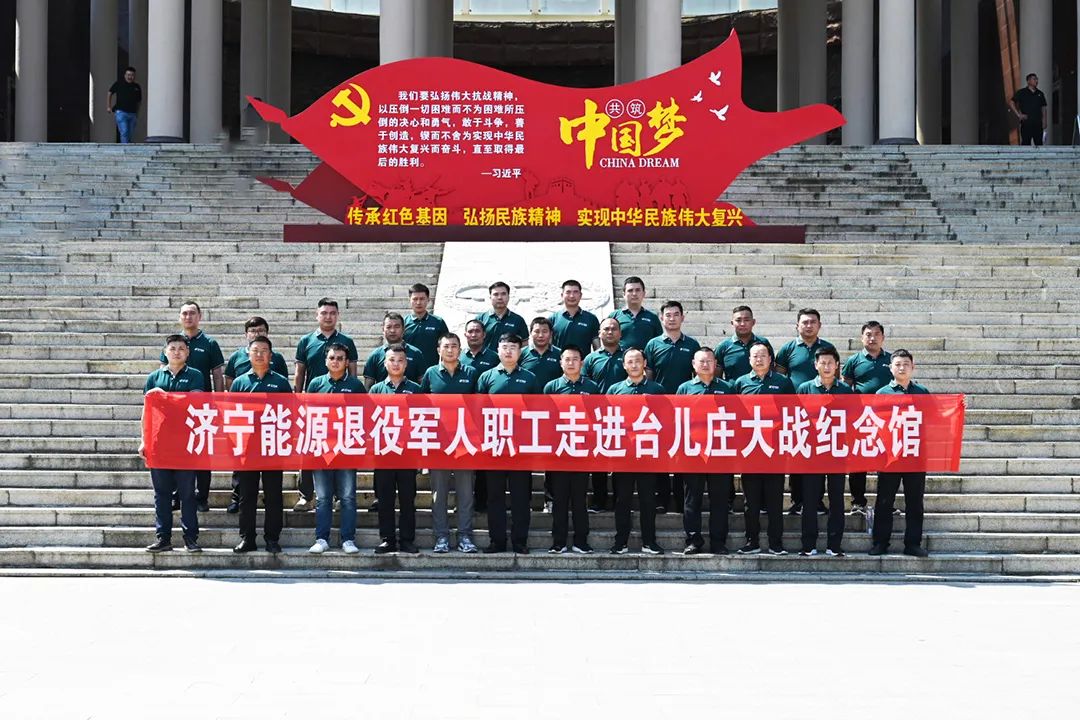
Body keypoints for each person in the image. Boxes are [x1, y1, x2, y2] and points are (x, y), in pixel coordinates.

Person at [140, 335, 205, 553]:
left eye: (181, 349)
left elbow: (194, 401)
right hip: (159, 443)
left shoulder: (195, 375)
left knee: (187, 494)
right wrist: (143, 440)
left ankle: (190, 538)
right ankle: (163, 538)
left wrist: (164, 396)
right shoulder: (154, 377)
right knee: (162, 494)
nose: (177, 352)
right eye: (172, 348)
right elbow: (146, 413)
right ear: (165, 352)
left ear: (188, 353)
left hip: (186, 442)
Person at [476, 333, 539, 553]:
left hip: (521, 447)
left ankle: (520, 541)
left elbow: (537, 411)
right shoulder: (487, 377)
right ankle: (497, 540)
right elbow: (478, 411)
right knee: (495, 497)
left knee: (521, 496)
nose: (509, 351)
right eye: (505, 347)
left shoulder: (530, 378)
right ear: (498, 350)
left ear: (520, 351)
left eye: (513, 347)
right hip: (495, 446)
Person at [294, 297, 358, 511]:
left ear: (338, 316)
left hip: (342, 411)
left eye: (332, 313)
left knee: (341, 451)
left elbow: (353, 374)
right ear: (317, 315)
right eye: (324, 313)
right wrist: (298, 400)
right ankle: (306, 496)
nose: (328, 317)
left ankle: (340, 497)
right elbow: (300, 373)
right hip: (315, 406)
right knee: (308, 450)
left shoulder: (347, 342)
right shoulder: (306, 341)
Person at [230, 336, 293, 554]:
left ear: (271, 355)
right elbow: (231, 415)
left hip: (272, 445)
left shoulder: (281, 382)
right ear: (248, 354)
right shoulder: (239, 383)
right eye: (255, 350)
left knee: (273, 495)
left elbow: (290, 412)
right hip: (247, 447)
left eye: (264, 350)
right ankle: (247, 538)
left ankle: (272, 539)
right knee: (247, 496)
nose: (259, 354)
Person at [160, 300, 224, 514]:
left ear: (200, 316)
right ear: (180, 317)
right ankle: (176, 495)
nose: (188, 317)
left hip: (202, 408)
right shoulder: (173, 343)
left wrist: (218, 401)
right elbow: (163, 371)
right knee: (176, 451)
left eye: (192, 313)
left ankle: (201, 496)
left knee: (202, 453)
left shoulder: (210, 343)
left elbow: (217, 374)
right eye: (185, 314)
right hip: (175, 411)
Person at [419, 332, 479, 554]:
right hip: (439, 443)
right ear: (439, 350)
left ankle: (465, 536)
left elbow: (480, 406)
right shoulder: (431, 373)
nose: (450, 350)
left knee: (466, 494)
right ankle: (441, 536)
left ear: (460, 350)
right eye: (446, 346)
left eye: (454, 346)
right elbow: (421, 405)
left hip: (464, 441)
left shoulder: (471, 373)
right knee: (439, 494)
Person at [223, 316, 290, 514]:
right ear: (246, 335)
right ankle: (237, 497)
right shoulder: (237, 360)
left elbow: (286, 399)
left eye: (260, 331)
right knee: (245, 480)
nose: (256, 334)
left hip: (271, 430)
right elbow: (229, 382)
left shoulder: (277, 361)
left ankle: (272, 528)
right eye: (252, 331)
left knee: (273, 487)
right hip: (245, 429)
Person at [733, 341, 795, 555]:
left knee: (775, 500)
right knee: (750, 502)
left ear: (770, 359)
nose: (759, 359)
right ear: (749, 359)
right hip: (750, 449)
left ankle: (775, 542)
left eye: (763, 356)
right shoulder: (740, 383)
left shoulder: (783, 382)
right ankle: (752, 541)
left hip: (774, 450)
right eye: (755, 356)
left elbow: (792, 412)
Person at [870, 349, 930, 558]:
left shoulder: (922, 392)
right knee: (884, 501)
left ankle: (913, 543)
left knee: (915, 502)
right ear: (890, 368)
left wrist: (958, 407)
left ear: (913, 367)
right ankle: (880, 542)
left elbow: (934, 417)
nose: (902, 368)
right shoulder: (882, 393)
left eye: (906, 364)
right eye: (897, 364)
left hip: (915, 454)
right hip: (890, 456)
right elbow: (875, 424)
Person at [305, 343, 364, 555]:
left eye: (340, 358)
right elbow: (307, 414)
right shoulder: (316, 384)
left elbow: (365, 415)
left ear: (347, 362)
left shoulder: (356, 386)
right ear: (326, 361)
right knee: (323, 498)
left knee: (347, 497)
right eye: (332, 358)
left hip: (347, 449)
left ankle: (348, 539)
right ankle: (322, 538)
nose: (336, 361)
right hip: (321, 448)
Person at [775, 308, 835, 516]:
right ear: (797, 326)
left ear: (819, 325)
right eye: (805, 322)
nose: (809, 326)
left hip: (823, 414)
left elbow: (834, 376)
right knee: (798, 456)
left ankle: (817, 501)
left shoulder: (827, 348)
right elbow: (780, 377)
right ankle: (797, 500)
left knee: (821, 458)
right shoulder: (788, 349)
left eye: (812, 322)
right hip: (796, 412)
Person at [606, 348, 666, 555]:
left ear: (645, 363)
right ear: (624, 365)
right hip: (623, 455)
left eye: (638, 361)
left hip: (647, 454)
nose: (634, 365)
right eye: (630, 362)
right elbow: (608, 419)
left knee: (648, 500)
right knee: (622, 500)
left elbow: (665, 420)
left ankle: (649, 541)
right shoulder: (615, 390)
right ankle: (620, 541)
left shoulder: (657, 389)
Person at [714, 305, 772, 514]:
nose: (742, 323)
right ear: (732, 323)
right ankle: (729, 498)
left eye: (746, 319)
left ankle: (762, 501)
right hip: (733, 409)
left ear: (753, 322)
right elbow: (717, 375)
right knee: (729, 455)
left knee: (760, 455)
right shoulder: (724, 347)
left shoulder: (763, 344)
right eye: (738, 320)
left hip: (761, 415)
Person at [644, 300, 700, 514]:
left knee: (681, 454)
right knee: (659, 454)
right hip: (659, 407)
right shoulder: (653, 344)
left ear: (682, 317)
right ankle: (661, 499)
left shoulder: (692, 344)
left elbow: (697, 375)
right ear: (661, 318)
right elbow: (648, 375)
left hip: (685, 409)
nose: (672, 318)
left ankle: (680, 499)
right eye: (668, 315)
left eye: (676, 314)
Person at [676, 348, 734, 555]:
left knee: (720, 500)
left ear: (716, 364)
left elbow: (736, 418)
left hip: (720, 452)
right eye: (701, 361)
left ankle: (718, 541)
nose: (705, 365)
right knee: (692, 499)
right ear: (694, 364)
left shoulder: (727, 388)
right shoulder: (685, 388)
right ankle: (693, 540)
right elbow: (677, 419)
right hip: (693, 453)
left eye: (709, 361)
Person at [796, 346, 853, 557]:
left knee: (836, 499)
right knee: (810, 499)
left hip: (837, 451)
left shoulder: (845, 390)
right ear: (815, 365)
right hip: (812, 451)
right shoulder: (805, 388)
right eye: (823, 362)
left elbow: (853, 419)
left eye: (830, 363)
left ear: (837, 365)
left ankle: (834, 544)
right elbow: (797, 418)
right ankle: (808, 544)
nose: (826, 366)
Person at [543, 346, 600, 554]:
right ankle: (558, 541)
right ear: (560, 363)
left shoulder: (591, 387)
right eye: (567, 359)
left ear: (582, 363)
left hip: (582, 452)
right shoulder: (552, 387)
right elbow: (545, 418)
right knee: (559, 500)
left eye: (575, 359)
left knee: (579, 499)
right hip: (559, 451)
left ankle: (580, 541)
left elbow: (598, 416)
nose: (571, 363)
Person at [368, 344, 422, 554]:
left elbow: (422, 420)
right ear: (385, 363)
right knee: (385, 499)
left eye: (400, 360)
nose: (396, 364)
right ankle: (387, 538)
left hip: (408, 454)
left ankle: (407, 539)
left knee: (408, 498)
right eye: (392, 360)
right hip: (384, 453)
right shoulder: (376, 390)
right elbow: (369, 421)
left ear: (406, 364)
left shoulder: (415, 390)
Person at [841, 321, 892, 515]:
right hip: (861, 417)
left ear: (883, 337)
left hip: (886, 418)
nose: (872, 338)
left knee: (886, 460)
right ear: (862, 338)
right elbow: (845, 387)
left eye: (876, 334)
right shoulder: (854, 360)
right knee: (858, 459)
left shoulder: (892, 359)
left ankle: (886, 502)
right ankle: (858, 502)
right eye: (868, 334)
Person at [582, 318, 627, 513]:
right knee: (598, 459)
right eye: (606, 329)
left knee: (620, 460)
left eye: (614, 329)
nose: (610, 332)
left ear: (620, 333)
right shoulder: (591, 359)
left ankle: (620, 500)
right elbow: (584, 383)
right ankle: (599, 501)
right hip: (597, 415)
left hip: (623, 416)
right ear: (599, 333)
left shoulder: (627, 356)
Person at [522, 316, 563, 512]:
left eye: (544, 331)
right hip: (526, 415)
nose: (540, 335)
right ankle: (525, 500)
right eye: (536, 331)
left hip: (553, 414)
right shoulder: (522, 354)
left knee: (552, 458)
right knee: (525, 459)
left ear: (551, 334)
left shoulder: (560, 355)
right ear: (530, 334)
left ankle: (551, 499)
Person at [461, 318, 499, 514]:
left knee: (485, 462)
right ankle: (464, 501)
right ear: (465, 334)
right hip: (464, 418)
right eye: (471, 331)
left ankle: (482, 502)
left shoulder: (494, 357)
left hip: (488, 417)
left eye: (478, 331)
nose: (474, 334)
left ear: (484, 335)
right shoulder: (458, 357)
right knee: (465, 460)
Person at [363, 312, 426, 389]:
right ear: (383, 330)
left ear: (404, 329)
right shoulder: (375, 355)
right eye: (388, 327)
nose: (392, 330)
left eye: (397, 327)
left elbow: (423, 385)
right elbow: (368, 386)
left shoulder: (416, 353)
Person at [608, 276, 661, 351]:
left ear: (644, 293)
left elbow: (659, 343)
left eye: (638, 290)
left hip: (646, 358)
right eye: (630, 290)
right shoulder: (614, 316)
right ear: (624, 294)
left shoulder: (652, 317)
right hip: (621, 358)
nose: (634, 293)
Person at [403, 283, 448, 373]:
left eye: (422, 299)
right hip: (407, 372)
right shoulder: (403, 323)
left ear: (428, 300)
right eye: (415, 299)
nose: (418, 302)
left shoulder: (438, 322)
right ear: (409, 300)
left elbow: (446, 347)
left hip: (431, 372)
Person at [475, 281, 528, 352]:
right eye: (496, 294)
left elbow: (525, 344)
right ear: (490, 297)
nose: (500, 297)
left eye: (503, 294)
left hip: (510, 358)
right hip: (485, 359)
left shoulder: (518, 320)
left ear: (508, 297)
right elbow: (473, 342)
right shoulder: (480, 319)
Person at [549, 279, 600, 353]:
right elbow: (548, 346)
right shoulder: (553, 319)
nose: (572, 296)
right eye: (568, 292)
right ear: (562, 295)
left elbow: (597, 348)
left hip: (583, 360)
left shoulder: (591, 319)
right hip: (559, 360)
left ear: (580, 295)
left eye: (575, 292)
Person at [1009, 73, 1048, 147]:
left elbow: (1043, 107)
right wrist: (1018, 115)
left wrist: (1044, 120)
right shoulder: (1022, 92)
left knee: (1039, 143)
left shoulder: (1040, 93)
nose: (1036, 81)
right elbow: (1011, 102)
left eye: (1037, 79)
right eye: (1034, 79)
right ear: (1028, 81)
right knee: (1026, 143)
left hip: (1038, 123)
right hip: (1026, 123)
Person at [107, 66, 141, 144]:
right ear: (125, 75)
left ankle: (127, 147)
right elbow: (110, 92)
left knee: (130, 133)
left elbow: (139, 101)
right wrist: (108, 106)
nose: (130, 77)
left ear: (134, 76)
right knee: (124, 132)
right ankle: (125, 148)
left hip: (132, 113)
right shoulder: (119, 84)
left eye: (132, 75)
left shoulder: (137, 87)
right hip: (121, 112)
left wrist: (137, 113)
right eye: (128, 75)